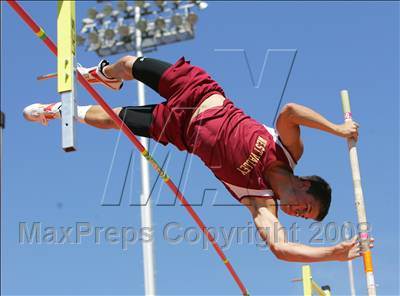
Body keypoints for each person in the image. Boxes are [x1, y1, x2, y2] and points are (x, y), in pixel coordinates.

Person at [23, 56, 373, 262]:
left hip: (180, 130)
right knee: (129, 64)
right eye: (306, 208)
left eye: (302, 217)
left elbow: (280, 248)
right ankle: (103, 76)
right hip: (198, 92)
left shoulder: (261, 202)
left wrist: (332, 254)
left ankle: (55, 111)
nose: (297, 214)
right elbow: (292, 110)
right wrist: (339, 130)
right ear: (305, 184)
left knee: (113, 119)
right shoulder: (287, 150)